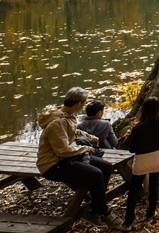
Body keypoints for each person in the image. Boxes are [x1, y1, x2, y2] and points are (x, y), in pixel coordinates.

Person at [37, 87, 127, 229]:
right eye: (84, 102)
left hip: (68, 158)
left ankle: (95, 209)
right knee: (95, 174)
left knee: (106, 166)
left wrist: (89, 137)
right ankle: (104, 212)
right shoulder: (57, 122)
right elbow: (63, 150)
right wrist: (85, 148)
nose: (85, 105)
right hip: (54, 164)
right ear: (79, 103)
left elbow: (72, 131)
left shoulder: (66, 114)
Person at [122, 97, 159, 229]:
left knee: (134, 189)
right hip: (158, 159)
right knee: (155, 185)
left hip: (142, 162)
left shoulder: (137, 128)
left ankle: (128, 220)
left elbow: (132, 149)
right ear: (158, 109)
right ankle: (151, 212)